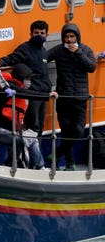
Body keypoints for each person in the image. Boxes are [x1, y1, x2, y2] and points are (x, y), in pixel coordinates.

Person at [47, 22, 97, 171]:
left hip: (80, 98)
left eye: (72, 36)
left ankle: (58, 153)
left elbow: (92, 67)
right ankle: (70, 163)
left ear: (77, 37)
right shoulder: (58, 51)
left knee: (78, 130)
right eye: (66, 37)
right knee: (66, 130)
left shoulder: (85, 49)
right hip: (63, 97)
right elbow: (43, 59)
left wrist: (78, 53)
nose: (69, 40)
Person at [0, 63, 53, 170]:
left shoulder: (19, 90)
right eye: (26, 78)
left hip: (12, 129)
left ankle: (40, 167)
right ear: (20, 77)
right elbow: (22, 92)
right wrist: (47, 95)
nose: (28, 81)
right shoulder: (8, 87)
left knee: (33, 140)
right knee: (18, 140)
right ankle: (9, 165)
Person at [0, 20, 52, 136]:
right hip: (32, 93)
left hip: (44, 94)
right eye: (36, 33)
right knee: (33, 127)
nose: (39, 36)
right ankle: (31, 153)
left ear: (47, 35)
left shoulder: (44, 51)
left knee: (40, 127)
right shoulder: (25, 48)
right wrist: (0, 63)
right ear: (31, 34)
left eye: (42, 33)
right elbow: (12, 58)